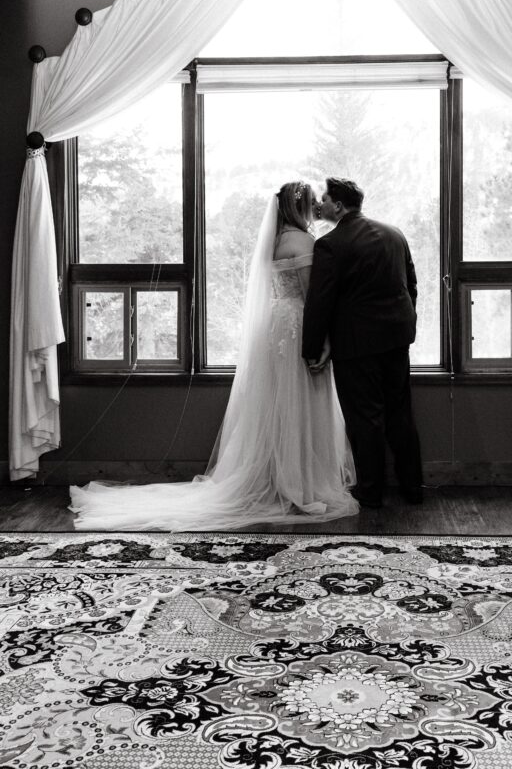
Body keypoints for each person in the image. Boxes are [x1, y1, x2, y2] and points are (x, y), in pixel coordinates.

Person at [69, 182, 359, 530]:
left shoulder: (277, 239)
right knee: (300, 400)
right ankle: (299, 482)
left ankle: (281, 474)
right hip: (298, 324)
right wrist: (325, 339)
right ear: (298, 207)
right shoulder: (302, 241)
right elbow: (315, 296)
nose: (316, 206)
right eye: (312, 201)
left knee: (280, 403)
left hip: (276, 325)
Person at [302, 177, 423, 508]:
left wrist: (312, 348)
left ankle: (371, 491)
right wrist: (405, 323)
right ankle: (413, 488)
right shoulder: (393, 233)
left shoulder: (330, 244)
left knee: (365, 417)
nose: (319, 205)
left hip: (356, 344)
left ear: (338, 205)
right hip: (397, 337)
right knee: (400, 413)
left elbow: (320, 302)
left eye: (324, 200)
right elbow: (410, 284)